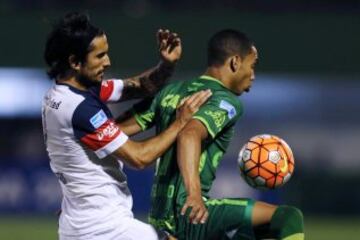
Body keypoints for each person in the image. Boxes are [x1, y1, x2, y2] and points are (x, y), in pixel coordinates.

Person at [120, 29, 305, 239]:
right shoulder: (224, 100)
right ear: (235, 62)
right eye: (252, 66)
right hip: (191, 213)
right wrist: (194, 194)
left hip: (160, 215)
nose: (253, 75)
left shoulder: (170, 92)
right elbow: (189, 135)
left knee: (248, 232)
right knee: (288, 217)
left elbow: (114, 133)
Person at [41, 12, 211, 240]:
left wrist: (166, 65)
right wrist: (181, 121)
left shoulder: (62, 94)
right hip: (103, 227)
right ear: (75, 62)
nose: (108, 62)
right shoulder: (81, 109)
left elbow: (138, 86)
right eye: (99, 56)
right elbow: (139, 157)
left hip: (81, 222)